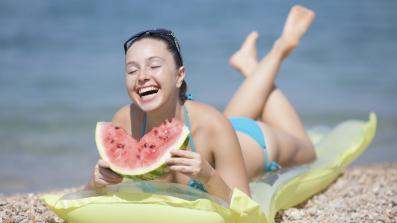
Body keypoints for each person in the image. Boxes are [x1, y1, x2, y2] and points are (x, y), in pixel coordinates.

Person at [86, 5, 316, 203]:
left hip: (252, 141)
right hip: (220, 131)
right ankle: (247, 63)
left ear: (179, 76)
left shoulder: (213, 125)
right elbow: (86, 197)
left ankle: (280, 48)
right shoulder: (124, 120)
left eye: (154, 66)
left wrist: (209, 176)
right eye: (132, 70)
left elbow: (245, 207)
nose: (142, 76)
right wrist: (97, 183)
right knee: (224, 120)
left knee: (309, 151)